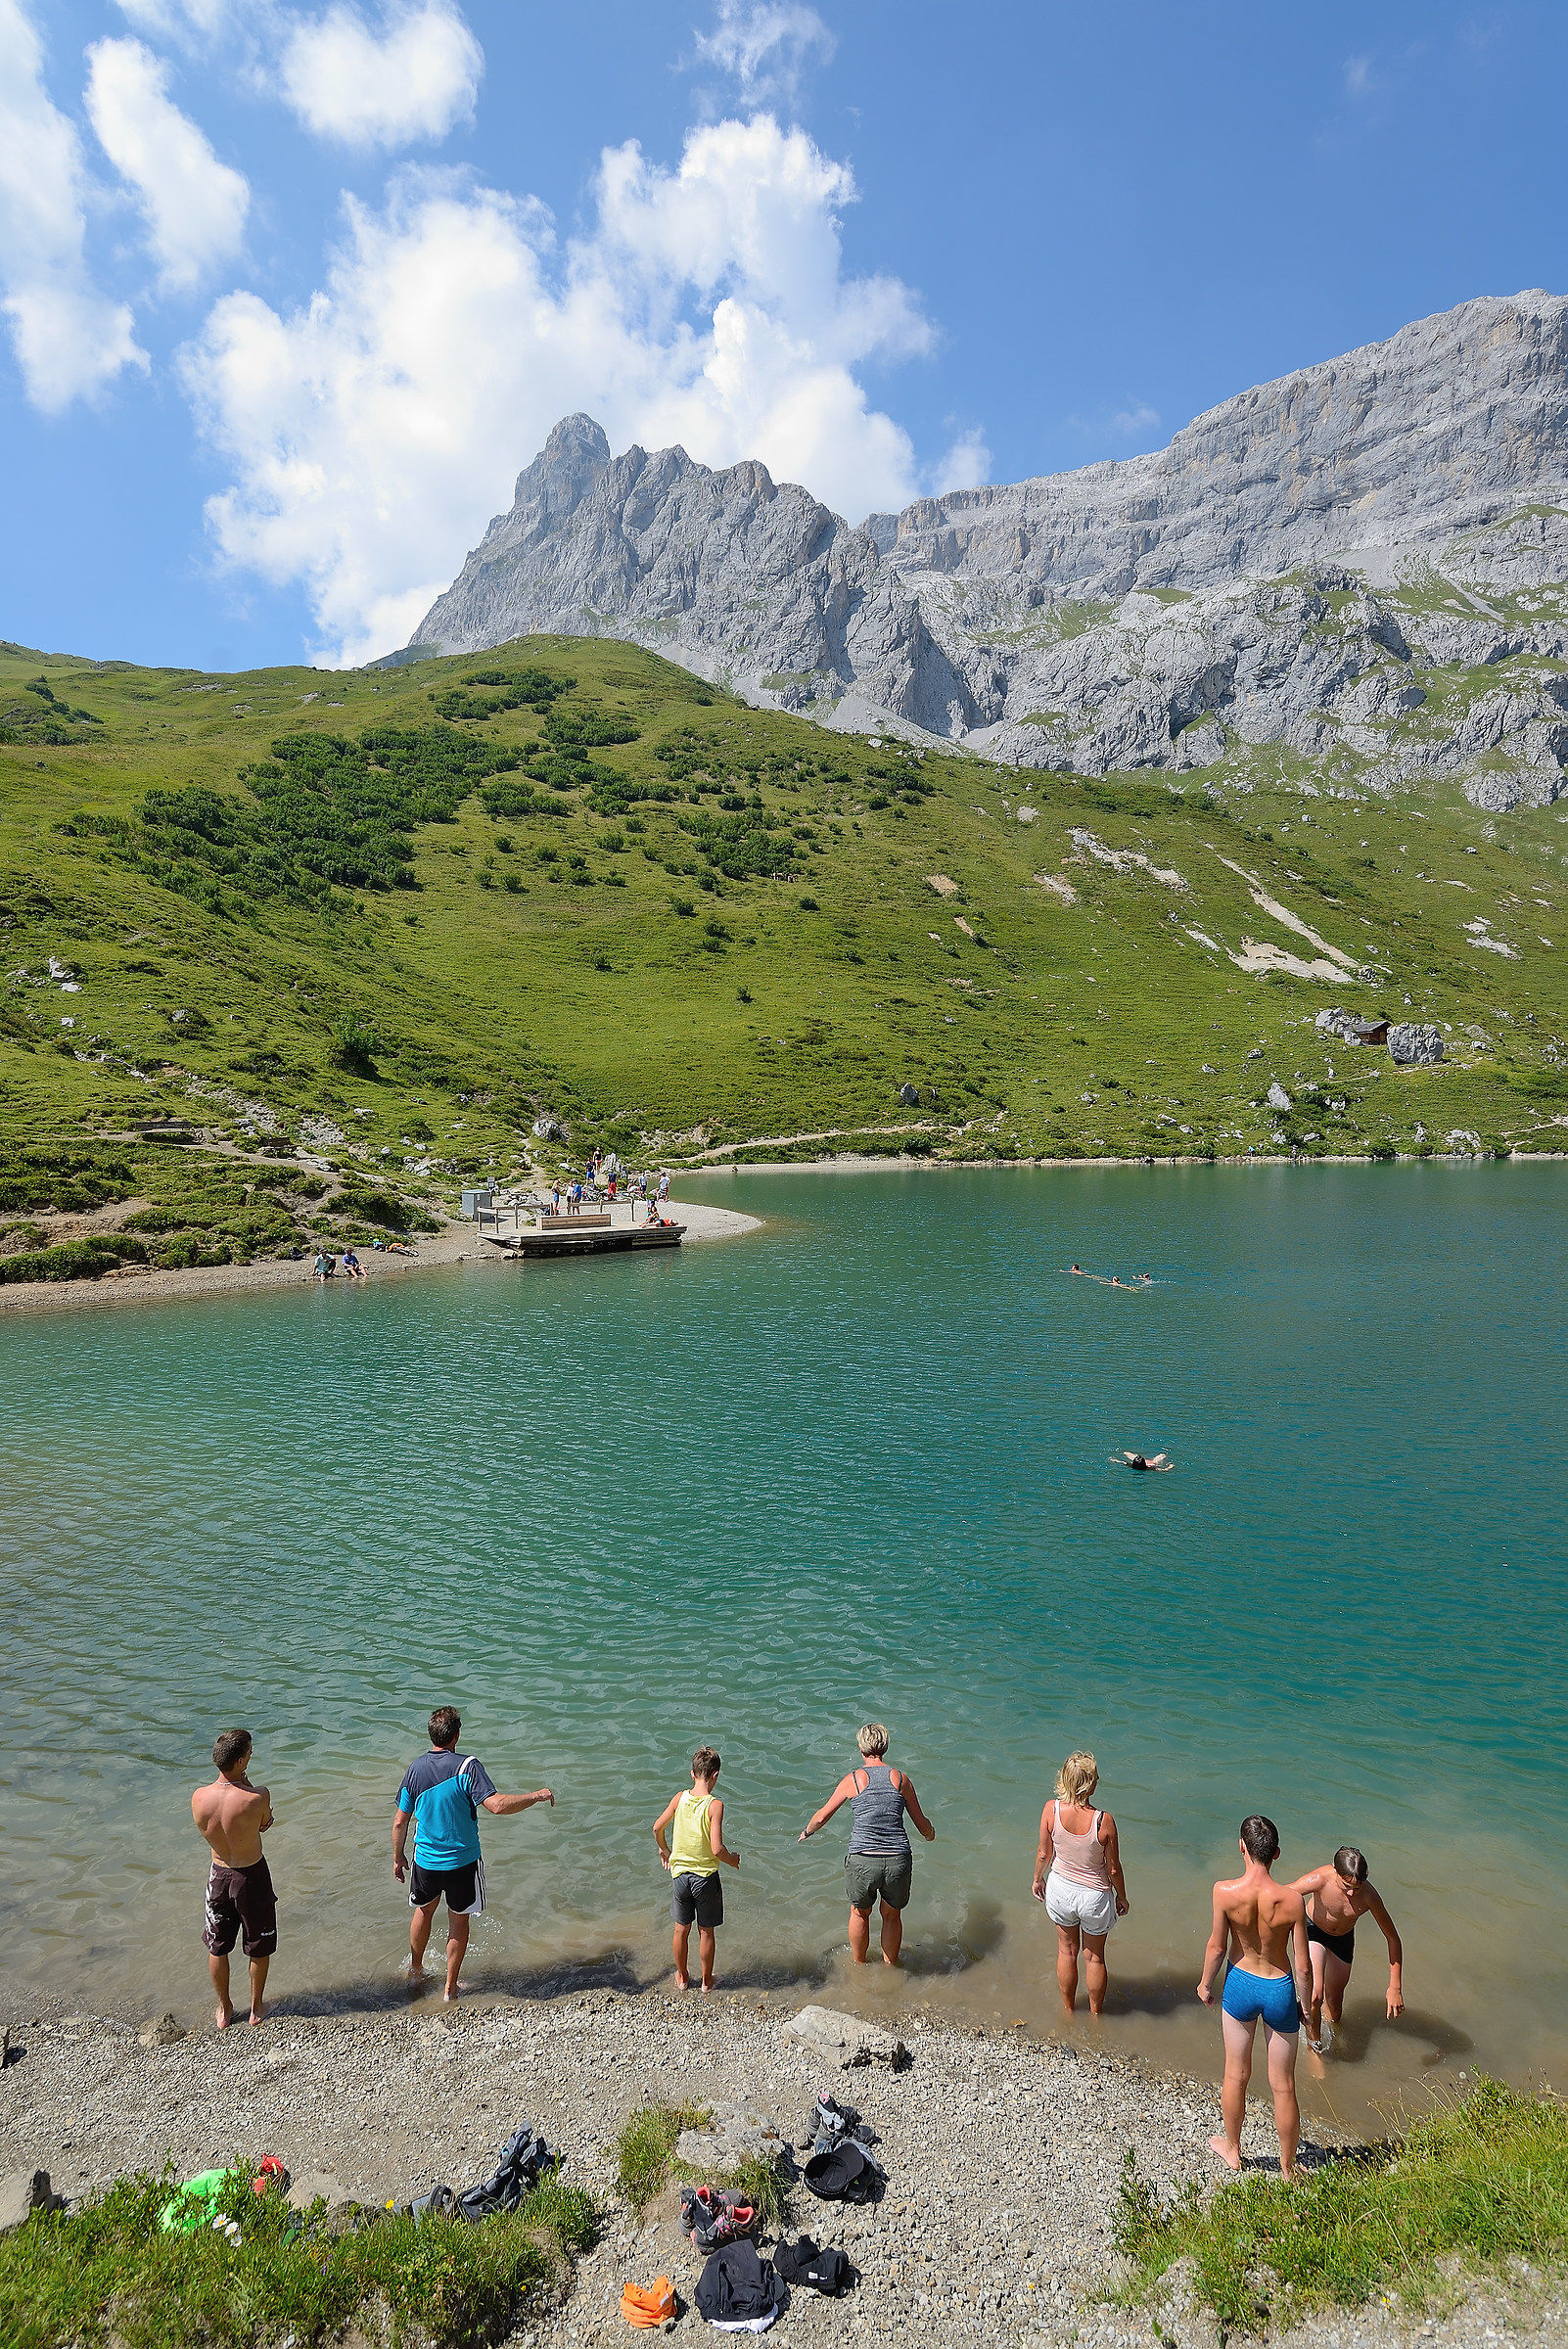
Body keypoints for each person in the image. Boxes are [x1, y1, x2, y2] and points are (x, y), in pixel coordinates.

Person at [392, 1707, 554, 2003]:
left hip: (425, 1861)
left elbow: (400, 1820)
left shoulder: (414, 1769)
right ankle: (450, 1989)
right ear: (456, 1735)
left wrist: (398, 1857)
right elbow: (498, 1805)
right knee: (458, 1921)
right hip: (462, 1863)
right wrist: (536, 1796)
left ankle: (415, 1972)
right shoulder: (468, 1766)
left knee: (423, 1911)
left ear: (432, 1735)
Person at [1197, 1816, 1319, 2179]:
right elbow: (1303, 1965)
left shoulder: (1224, 1892)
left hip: (1240, 1986)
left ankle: (1232, 2149)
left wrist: (1205, 1984)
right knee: (1283, 2085)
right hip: (1279, 1988)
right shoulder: (1293, 1900)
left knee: (1235, 2074)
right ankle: (1287, 2167)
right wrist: (1307, 2006)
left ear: (1241, 1847)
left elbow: (1217, 1947)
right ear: (1277, 1853)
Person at [799, 1724, 935, 1966]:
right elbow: (920, 1822)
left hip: (863, 1858)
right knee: (892, 1915)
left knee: (859, 1913)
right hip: (897, 1859)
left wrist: (807, 1831)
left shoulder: (854, 1779)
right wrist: (930, 1834)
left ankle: (859, 1965)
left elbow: (822, 1816)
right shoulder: (901, 1779)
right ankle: (890, 1967)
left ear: (860, 1748)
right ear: (885, 1746)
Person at [1031, 1751, 1130, 2015]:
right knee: (1094, 1958)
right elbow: (1113, 1868)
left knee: (1066, 1952)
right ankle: (1096, 2014)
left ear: (1064, 1779)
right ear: (1092, 1784)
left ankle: (1069, 2010)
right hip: (1094, 1897)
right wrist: (1122, 1897)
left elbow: (1044, 1853)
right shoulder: (1103, 1820)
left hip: (1061, 1889)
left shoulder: (1050, 1810)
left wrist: (1037, 1878)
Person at [192, 1728, 277, 2030]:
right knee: (259, 1946)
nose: (252, 1755)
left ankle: (225, 2009)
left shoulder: (199, 1797)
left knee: (217, 1946)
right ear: (241, 1761)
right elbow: (265, 1824)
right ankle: (256, 2008)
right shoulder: (258, 1795)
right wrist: (248, 1784)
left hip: (218, 1875)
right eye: (250, 1754)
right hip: (251, 1875)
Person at [1290, 1846, 1405, 2049]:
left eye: (1357, 1888)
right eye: (1346, 1886)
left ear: (1366, 1876)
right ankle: (1314, 2047)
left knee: (1334, 2012)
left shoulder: (1369, 1896)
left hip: (1342, 1939)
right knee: (1316, 1994)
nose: (1352, 1893)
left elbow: (1392, 1938)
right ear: (1335, 1869)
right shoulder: (1320, 1878)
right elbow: (1285, 1894)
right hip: (1314, 1931)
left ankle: (1308, 2013)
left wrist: (1394, 1986)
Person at [652, 1746, 740, 1992]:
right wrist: (732, 1860)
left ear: (692, 1774)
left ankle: (681, 1977)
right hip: (705, 1878)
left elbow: (657, 1828)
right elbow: (716, 1849)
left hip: (680, 1876)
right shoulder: (715, 1806)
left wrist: (665, 1850)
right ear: (716, 1775)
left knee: (681, 1929)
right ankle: (706, 1981)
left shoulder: (679, 1798)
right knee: (706, 1931)